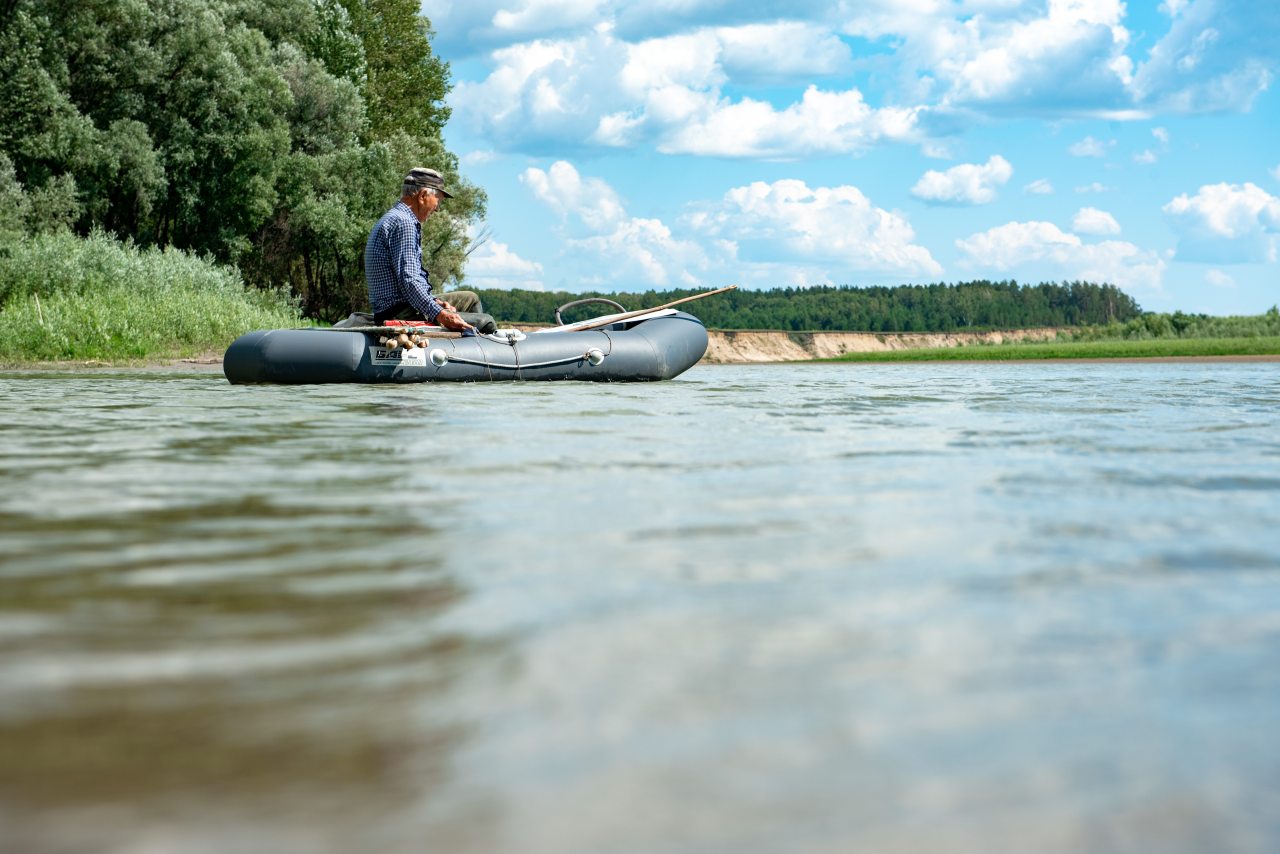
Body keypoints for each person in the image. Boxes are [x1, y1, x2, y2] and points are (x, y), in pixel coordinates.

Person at [365, 167, 495, 333]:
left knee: (471, 298)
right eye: (438, 201)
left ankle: (466, 343)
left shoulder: (395, 217)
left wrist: (434, 301)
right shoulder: (404, 223)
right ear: (423, 196)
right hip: (401, 313)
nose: (437, 208)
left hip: (400, 306)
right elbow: (409, 281)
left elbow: (408, 281)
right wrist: (439, 313)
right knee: (486, 322)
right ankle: (478, 348)